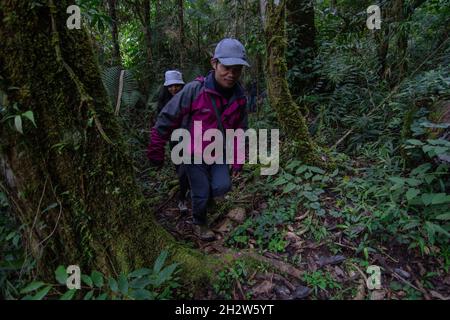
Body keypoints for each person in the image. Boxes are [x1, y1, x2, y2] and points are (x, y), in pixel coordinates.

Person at [147, 38, 249, 241]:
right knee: (201, 190)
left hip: (218, 151)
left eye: (236, 69)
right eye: (226, 67)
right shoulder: (195, 90)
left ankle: (206, 198)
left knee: (222, 186)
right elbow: (167, 117)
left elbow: (240, 129)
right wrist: (156, 151)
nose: (231, 74)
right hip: (192, 151)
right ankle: (199, 223)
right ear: (214, 63)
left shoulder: (239, 96)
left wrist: (238, 160)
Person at [156, 70, 189, 213]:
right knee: (180, 170)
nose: (174, 89)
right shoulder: (164, 102)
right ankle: (183, 196)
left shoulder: (190, 97)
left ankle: (188, 197)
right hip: (175, 140)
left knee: (191, 168)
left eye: (177, 85)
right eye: (171, 86)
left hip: (191, 138)